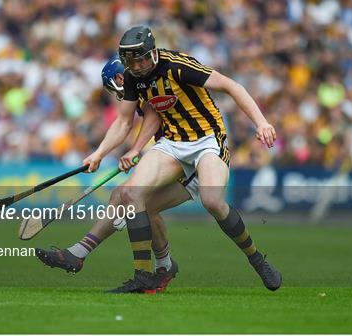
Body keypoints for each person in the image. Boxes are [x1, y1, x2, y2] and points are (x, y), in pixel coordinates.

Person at [83, 26, 282, 293]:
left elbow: (231, 86)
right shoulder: (132, 77)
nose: (137, 66)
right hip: (173, 144)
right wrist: (99, 153)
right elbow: (123, 121)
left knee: (212, 201)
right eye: (131, 61)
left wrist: (261, 122)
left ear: (152, 52)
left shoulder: (177, 66)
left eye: (141, 59)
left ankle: (256, 258)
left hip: (207, 140)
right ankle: (146, 276)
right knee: (133, 198)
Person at [35, 55, 202, 293]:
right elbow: (125, 124)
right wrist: (100, 154)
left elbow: (144, 125)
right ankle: (158, 265)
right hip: (171, 158)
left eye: (113, 88)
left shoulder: (152, 89)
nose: (118, 96)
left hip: (191, 163)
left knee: (130, 199)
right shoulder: (146, 92)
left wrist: (135, 152)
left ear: (120, 78)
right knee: (126, 198)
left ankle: (86, 256)